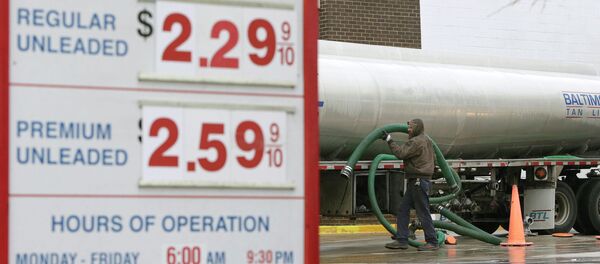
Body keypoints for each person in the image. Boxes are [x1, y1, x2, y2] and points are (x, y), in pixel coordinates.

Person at [382, 119, 438, 251]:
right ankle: (402, 240)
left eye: (411, 128)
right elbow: (434, 159)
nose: (408, 130)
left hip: (418, 180)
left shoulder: (416, 141)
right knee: (403, 209)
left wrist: (389, 139)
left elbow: (400, 153)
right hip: (418, 180)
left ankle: (432, 241)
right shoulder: (426, 140)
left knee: (422, 212)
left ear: (418, 128)